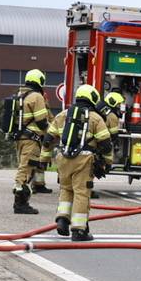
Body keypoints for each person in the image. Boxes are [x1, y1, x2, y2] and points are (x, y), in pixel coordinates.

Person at [46, 85, 113, 242]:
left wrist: (45, 158)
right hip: (83, 159)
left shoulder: (63, 115)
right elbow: (106, 144)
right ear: (92, 99)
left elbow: (48, 138)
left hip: (62, 158)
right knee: (82, 193)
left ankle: (62, 219)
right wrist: (107, 163)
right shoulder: (96, 118)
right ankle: (79, 231)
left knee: (66, 189)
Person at [10, 69, 50, 214]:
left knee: (24, 167)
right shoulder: (36, 97)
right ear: (40, 81)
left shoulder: (20, 95)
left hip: (20, 138)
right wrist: (51, 134)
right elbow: (41, 121)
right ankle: (20, 203)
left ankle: (21, 201)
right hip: (31, 140)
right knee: (26, 169)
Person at [89, 91, 126, 199]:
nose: (120, 107)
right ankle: (87, 190)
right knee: (93, 166)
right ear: (113, 103)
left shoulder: (102, 110)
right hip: (100, 143)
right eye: (119, 104)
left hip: (92, 140)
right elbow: (113, 136)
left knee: (89, 165)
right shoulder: (112, 116)